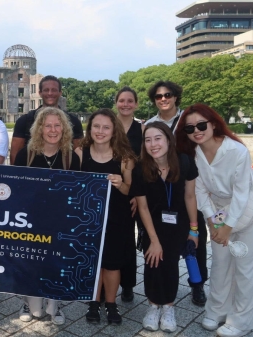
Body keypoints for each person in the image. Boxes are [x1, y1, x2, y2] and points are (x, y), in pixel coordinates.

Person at [176, 104, 253, 337]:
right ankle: (216, 310)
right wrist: (212, 221)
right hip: (218, 209)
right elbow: (201, 191)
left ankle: (241, 321)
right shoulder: (194, 154)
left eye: (201, 125)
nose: (196, 130)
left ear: (214, 123)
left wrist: (227, 227)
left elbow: (241, 193)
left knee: (246, 267)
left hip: (250, 208)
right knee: (220, 262)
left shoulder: (237, 151)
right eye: (189, 128)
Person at [14, 107, 80, 325]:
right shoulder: (26, 154)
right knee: (31, 263)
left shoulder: (71, 156)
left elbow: (77, 191)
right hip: (31, 220)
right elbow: (17, 189)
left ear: (65, 128)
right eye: (47, 125)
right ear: (39, 128)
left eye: (57, 125)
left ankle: (55, 304)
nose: (53, 130)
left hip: (60, 221)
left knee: (55, 263)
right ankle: (28, 302)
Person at [131, 122, 199, 332]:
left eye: (158, 138)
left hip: (178, 225)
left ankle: (168, 306)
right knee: (152, 263)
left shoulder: (185, 162)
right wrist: (154, 240)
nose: (153, 144)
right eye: (148, 139)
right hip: (152, 225)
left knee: (169, 264)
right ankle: (152, 305)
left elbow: (190, 196)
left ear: (168, 139)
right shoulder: (141, 168)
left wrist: (194, 229)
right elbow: (142, 207)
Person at [146, 81, 208, 306]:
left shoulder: (187, 120)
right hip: (162, 189)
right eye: (158, 96)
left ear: (175, 97)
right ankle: (159, 290)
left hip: (188, 183)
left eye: (168, 95)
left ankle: (197, 283)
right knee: (160, 240)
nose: (163, 99)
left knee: (195, 237)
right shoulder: (150, 125)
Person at [77, 109, 136, 325]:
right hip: (88, 219)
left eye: (106, 127)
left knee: (112, 265)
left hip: (116, 218)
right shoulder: (79, 153)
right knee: (93, 263)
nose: (100, 131)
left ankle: (111, 304)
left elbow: (131, 190)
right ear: (90, 128)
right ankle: (94, 302)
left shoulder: (125, 158)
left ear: (114, 131)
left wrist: (121, 184)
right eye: (96, 126)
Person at [10, 75, 84, 164]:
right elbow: (15, 156)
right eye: (46, 90)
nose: (50, 93)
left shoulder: (74, 121)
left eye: (54, 90)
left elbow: (79, 154)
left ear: (60, 93)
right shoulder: (24, 121)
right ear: (40, 93)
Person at [114, 86, 143, 303]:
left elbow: (144, 162)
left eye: (130, 101)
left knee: (127, 238)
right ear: (116, 102)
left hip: (131, 189)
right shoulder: (108, 124)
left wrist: (136, 193)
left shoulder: (141, 128)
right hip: (109, 186)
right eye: (122, 100)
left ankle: (128, 284)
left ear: (136, 104)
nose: (125, 104)